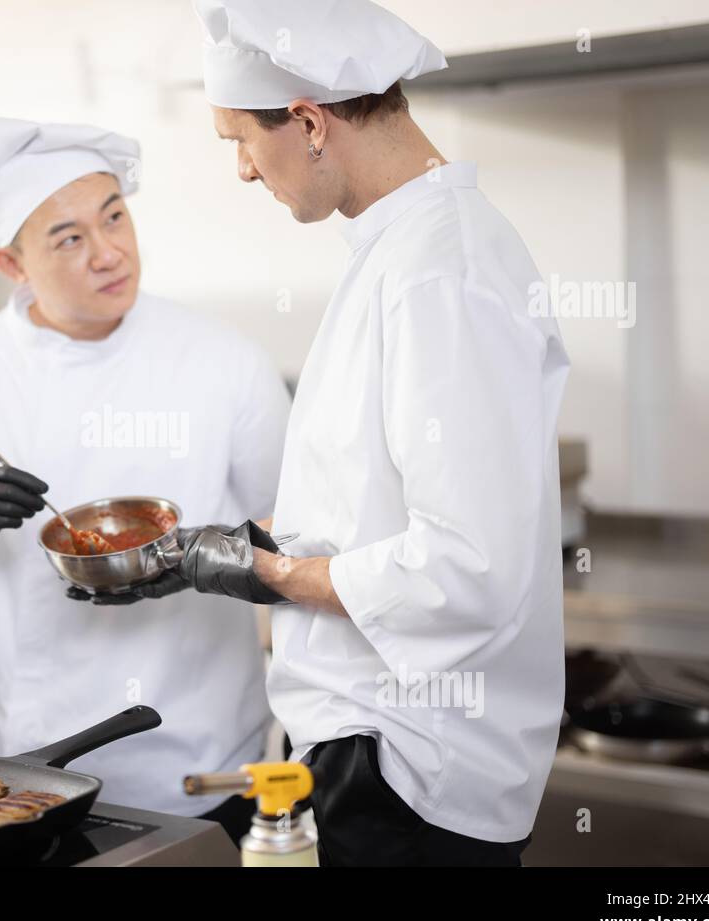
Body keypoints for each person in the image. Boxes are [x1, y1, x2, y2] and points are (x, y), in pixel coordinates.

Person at [83, 0, 570, 865]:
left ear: (309, 123)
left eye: (239, 139)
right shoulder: (401, 249)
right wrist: (224, 555)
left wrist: (267, 571)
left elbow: (468, 567)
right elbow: (375, 516)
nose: (240, 169)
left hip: (411, 776)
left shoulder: (440, 274)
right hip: (374, 749)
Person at [0, 118, 290, 839]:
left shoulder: (225, 361)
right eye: (69, 238)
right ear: (11, 264)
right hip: (37, 776)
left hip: (209, 762)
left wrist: (208, 558)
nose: (109, 251)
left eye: (115, 216)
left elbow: (300, 531)